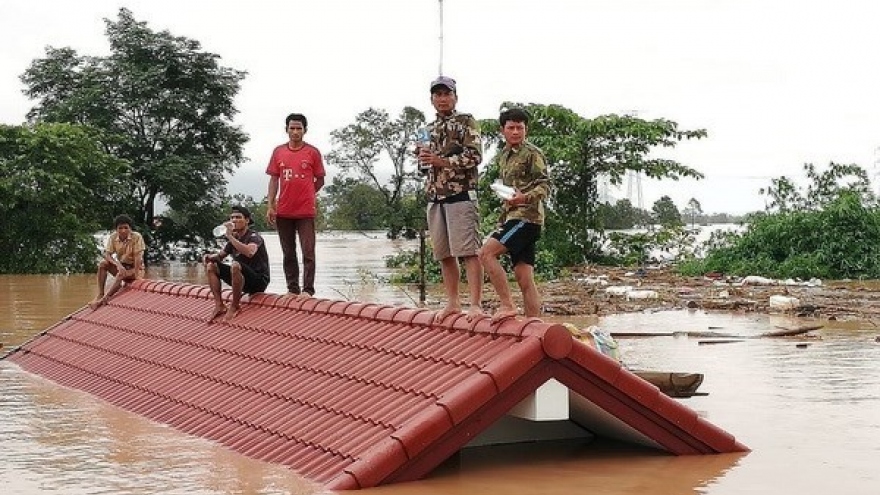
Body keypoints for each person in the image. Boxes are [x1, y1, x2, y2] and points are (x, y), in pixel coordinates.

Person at [417, 76, 484, 322]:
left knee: (469, 251)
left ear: (455, 96)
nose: (442, 99)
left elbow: (475, 157)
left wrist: (442, 161)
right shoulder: (425, 129)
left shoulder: (467, 122)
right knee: (444, 254)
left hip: (461, 194)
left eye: (447, 94)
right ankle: (453, 302)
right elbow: (422, 166)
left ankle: (475, 304)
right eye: (438, 95)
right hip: (435, 196)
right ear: (432, 99)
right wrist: (423, 159)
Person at [478, 108, 550, 322]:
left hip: (527, 218)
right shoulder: (504, 156)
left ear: (526, 129)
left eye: (520, 127)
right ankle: (533, 324)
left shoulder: (532, 153)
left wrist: (524, 198)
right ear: (503, 130)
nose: (516, 131)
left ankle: (507, 305)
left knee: (486, 253)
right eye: (511, 127)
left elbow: (545, 185)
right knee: (524, 277)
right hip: (513, 217)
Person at [266, 113, 326, 298]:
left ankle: (308, 290)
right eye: (292, 128)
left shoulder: (312, 152)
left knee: (308, 251)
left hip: (305, 211)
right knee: (288, 252)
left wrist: (308, 193)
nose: (295, 131)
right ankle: (292, 289)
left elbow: (321, 179)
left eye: (299, 128)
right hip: (284, 210)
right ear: (286, 130)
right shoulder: (278, 152)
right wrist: (270, 205)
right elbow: (274, 180)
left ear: (305, 130)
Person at [203, 205, 271, 321]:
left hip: (258, 280)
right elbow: (220, 256)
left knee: (235, 265)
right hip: (241, 277)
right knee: (211, 266)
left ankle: (235, 306)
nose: (234, 220)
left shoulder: (254, 237)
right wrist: (209, 257)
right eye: (232, 218)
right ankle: (219, 305)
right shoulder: (234, 239)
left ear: (247, 221)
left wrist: (229, 236)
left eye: (238, 217)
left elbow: (250, 252)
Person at [90, 214, 146, 309]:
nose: (123, 230)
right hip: (122, 267)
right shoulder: (113, 237)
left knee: (120, 274)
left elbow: (138, 257)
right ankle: (100, 293)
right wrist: (117, 264)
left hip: (136, 268)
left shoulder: (136, 237)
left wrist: (136, 275)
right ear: (116, 229)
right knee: (103, 264)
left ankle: (104, 298)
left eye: (126, 228)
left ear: (130, 228)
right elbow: (107, 254)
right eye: (120, 228)